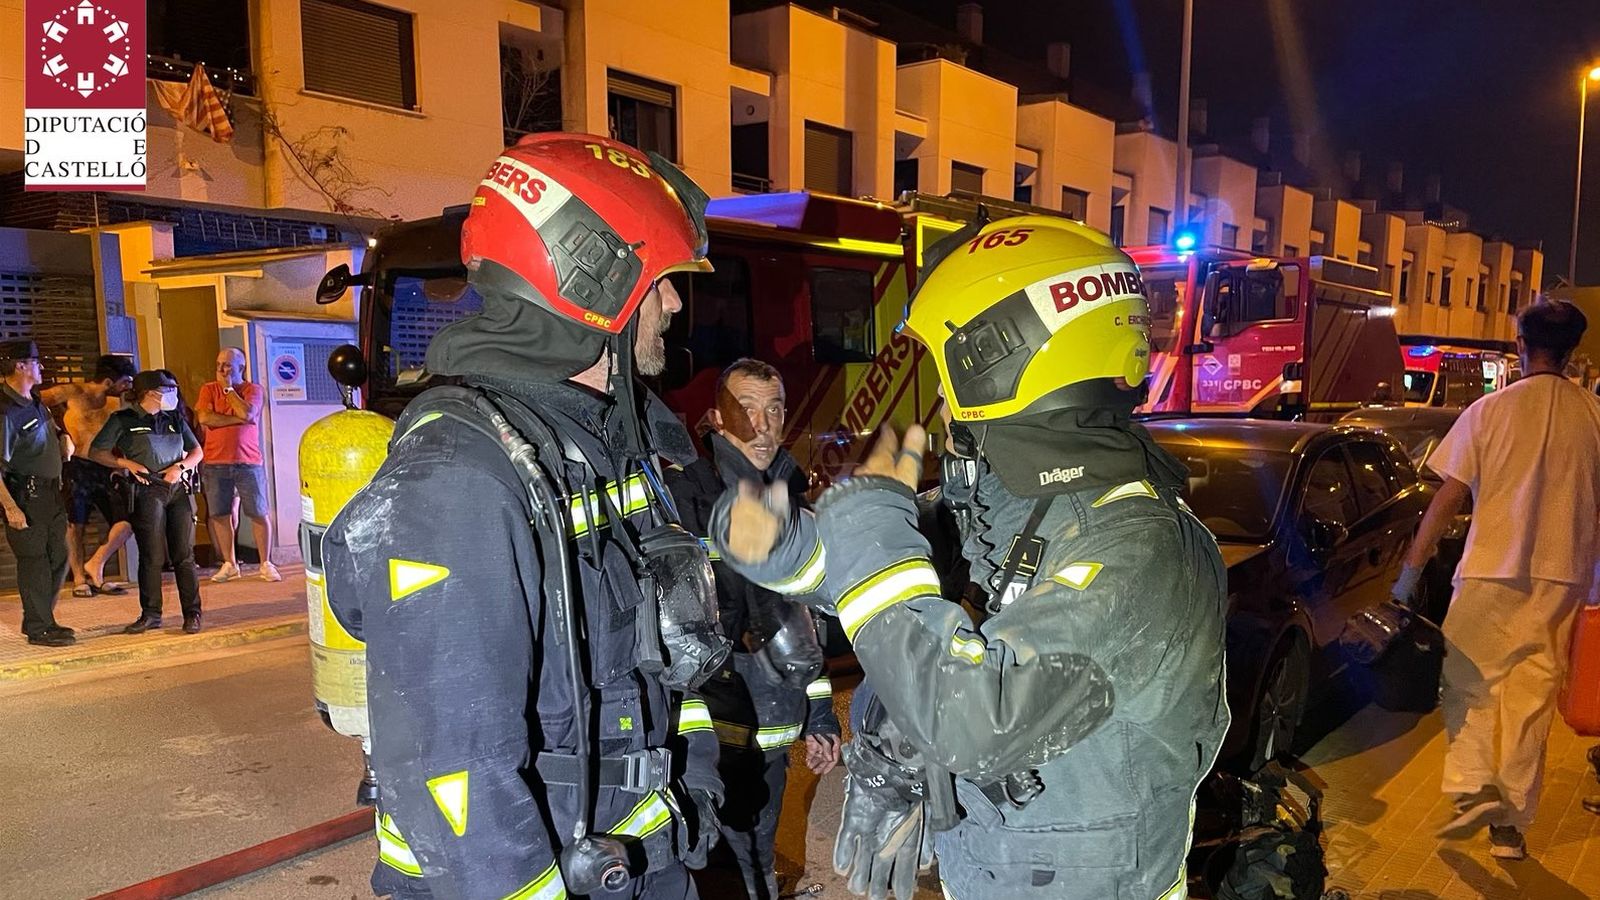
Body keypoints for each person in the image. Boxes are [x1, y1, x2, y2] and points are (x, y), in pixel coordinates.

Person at [711, 217, 1231, 899]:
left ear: (1000, 358)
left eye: (948, 368)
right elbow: (887, 578)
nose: (942, 403)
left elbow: (974, 717)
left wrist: (871, 513)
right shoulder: (1016, 503)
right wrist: (776, 538)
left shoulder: (1142, 548)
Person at [322, 133, 726, 899]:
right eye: (661, 283)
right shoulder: (460, 479)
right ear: (590, 282)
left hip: (633, 865)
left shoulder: (609, 440)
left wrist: (693, 789)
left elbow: (661, 658)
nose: (674, 304)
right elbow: (454, 775)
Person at [1392, 299, 1600, 860]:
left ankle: (1473, 789)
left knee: (1470, 685)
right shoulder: (1594, 416)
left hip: (1486, 571)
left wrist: (1411, 572)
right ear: (1571, 352)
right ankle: (1509, 824)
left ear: (1519, 345)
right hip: (1562, 577)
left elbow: (1448, 496)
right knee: (1532, 699)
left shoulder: (1489, 411)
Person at [665, 358, 841, 900]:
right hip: (707, 744)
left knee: (758, 863)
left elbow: (808, 623)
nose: (762, 426)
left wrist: (820, 715)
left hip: (774, 736)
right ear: (717, 419)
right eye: (746, 411)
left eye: (774, 410)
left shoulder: (794, 496)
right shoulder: (684, 499)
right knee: (712, 875)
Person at [90, 370, 205, 635]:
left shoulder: (175, 417)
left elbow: (197, 450)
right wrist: (126, 463)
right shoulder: (123, 420)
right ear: (150, 393)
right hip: (147, 491)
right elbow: (96, 451)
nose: (173, 394)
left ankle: (192, 613)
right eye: (168, 389)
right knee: (152, 556)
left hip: (177, 490)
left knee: (184, 556)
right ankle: (151, 614)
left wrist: (181, 467)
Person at [41, 354, 137, 598]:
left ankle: (96, 565)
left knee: (125, 521)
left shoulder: (118, 403)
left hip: (105, 467)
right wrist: (56, 430)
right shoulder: (73, 391)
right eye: (125, 381)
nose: (128, 386)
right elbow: (35, 401)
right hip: (76, 465)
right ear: (108, 381)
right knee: (76, 524)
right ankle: (79, 579)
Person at [0, 340, 75, 647]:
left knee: (59, 555)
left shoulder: (34, 401)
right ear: (20, 366)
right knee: (34, 562)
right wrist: (10, 508)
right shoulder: (5, 411)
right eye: (35, 362)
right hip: (25, 497)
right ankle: (38, 627)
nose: (40, 367)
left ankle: (44, 619)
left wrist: (64, 437)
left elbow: (53, 429)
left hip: (51, 495)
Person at [195, 348, 279, 583]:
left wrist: (230, 389)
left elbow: (248, 412)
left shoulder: (253, 390)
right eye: (219, 364)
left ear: (241, 368)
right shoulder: (208, 389)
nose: (222, 369)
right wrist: (238, 420)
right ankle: (230, 564)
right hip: (215, 462)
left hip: (248, 462)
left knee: (258, 512)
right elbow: (204, 418)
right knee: (220, 514)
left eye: (228, 365)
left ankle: (265, 562)